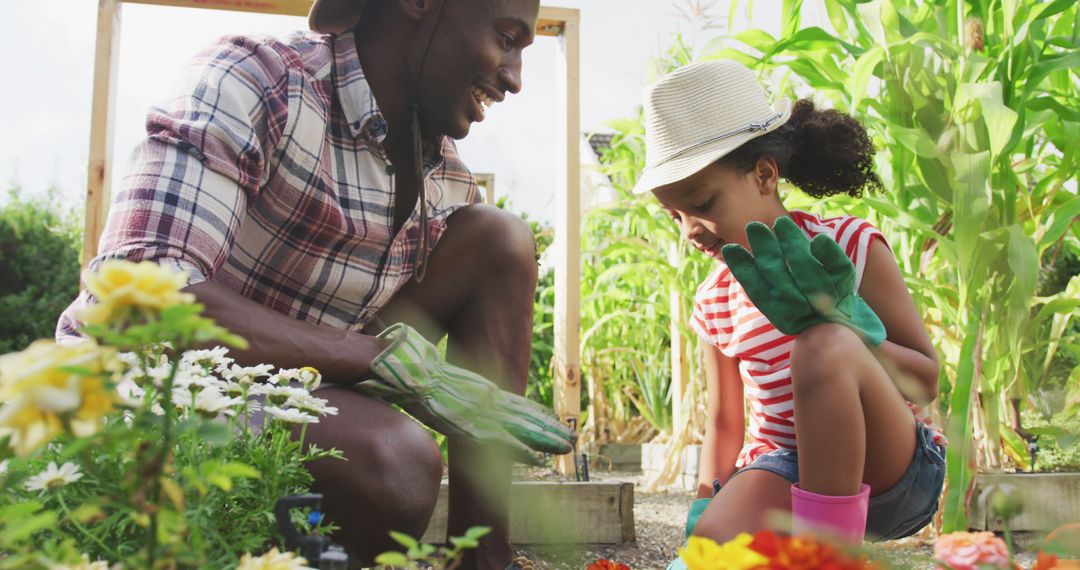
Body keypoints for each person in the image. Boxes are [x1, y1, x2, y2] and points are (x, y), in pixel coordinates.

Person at [57, 0, 560, 567]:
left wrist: (395, 369)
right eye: (507, 37)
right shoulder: (258, 81)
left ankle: (486, 559)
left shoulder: (445, 182)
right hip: (154, 388)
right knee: (394, 462)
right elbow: (139, 298)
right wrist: (383, 360)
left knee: (500, 238)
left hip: (299, 391)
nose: (514, 78)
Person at [630, 60, 947, 547]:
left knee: (822, 345)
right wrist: (703, 506)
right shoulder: (715, 298)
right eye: (674, 216)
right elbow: (724, 421)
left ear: (764, 175)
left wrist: (849, 328)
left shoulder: (849, 246)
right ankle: (807, 541)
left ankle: (827, 558)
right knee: (712, 550)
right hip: (785, 464)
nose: (689, 231)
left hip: (891, 468)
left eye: (704, 204)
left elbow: (924, 383)